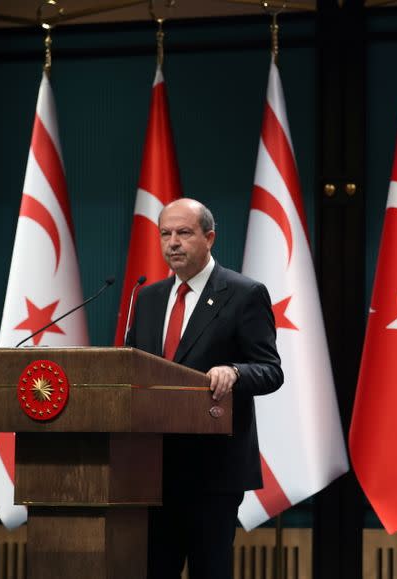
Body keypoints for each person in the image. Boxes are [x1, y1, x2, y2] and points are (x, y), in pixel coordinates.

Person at [126, 198, 283, 579]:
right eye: (165, 234)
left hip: (213, 470)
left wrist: (235, 371)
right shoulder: (146, 298)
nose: (173, 243)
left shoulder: (244, 293)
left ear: (209, 237)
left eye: (184, 233)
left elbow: (270, 370)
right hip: (151, 469)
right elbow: (130, 369)